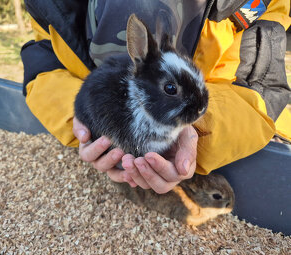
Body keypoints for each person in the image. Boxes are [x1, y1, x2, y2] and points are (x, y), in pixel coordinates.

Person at [21, 0, 291, 194]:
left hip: (208, 150)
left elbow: (261, 88)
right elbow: (44, 60)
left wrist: (203, 134)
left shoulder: (255, 5)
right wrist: (79, 126)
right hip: (97, 146)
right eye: (171, 90)